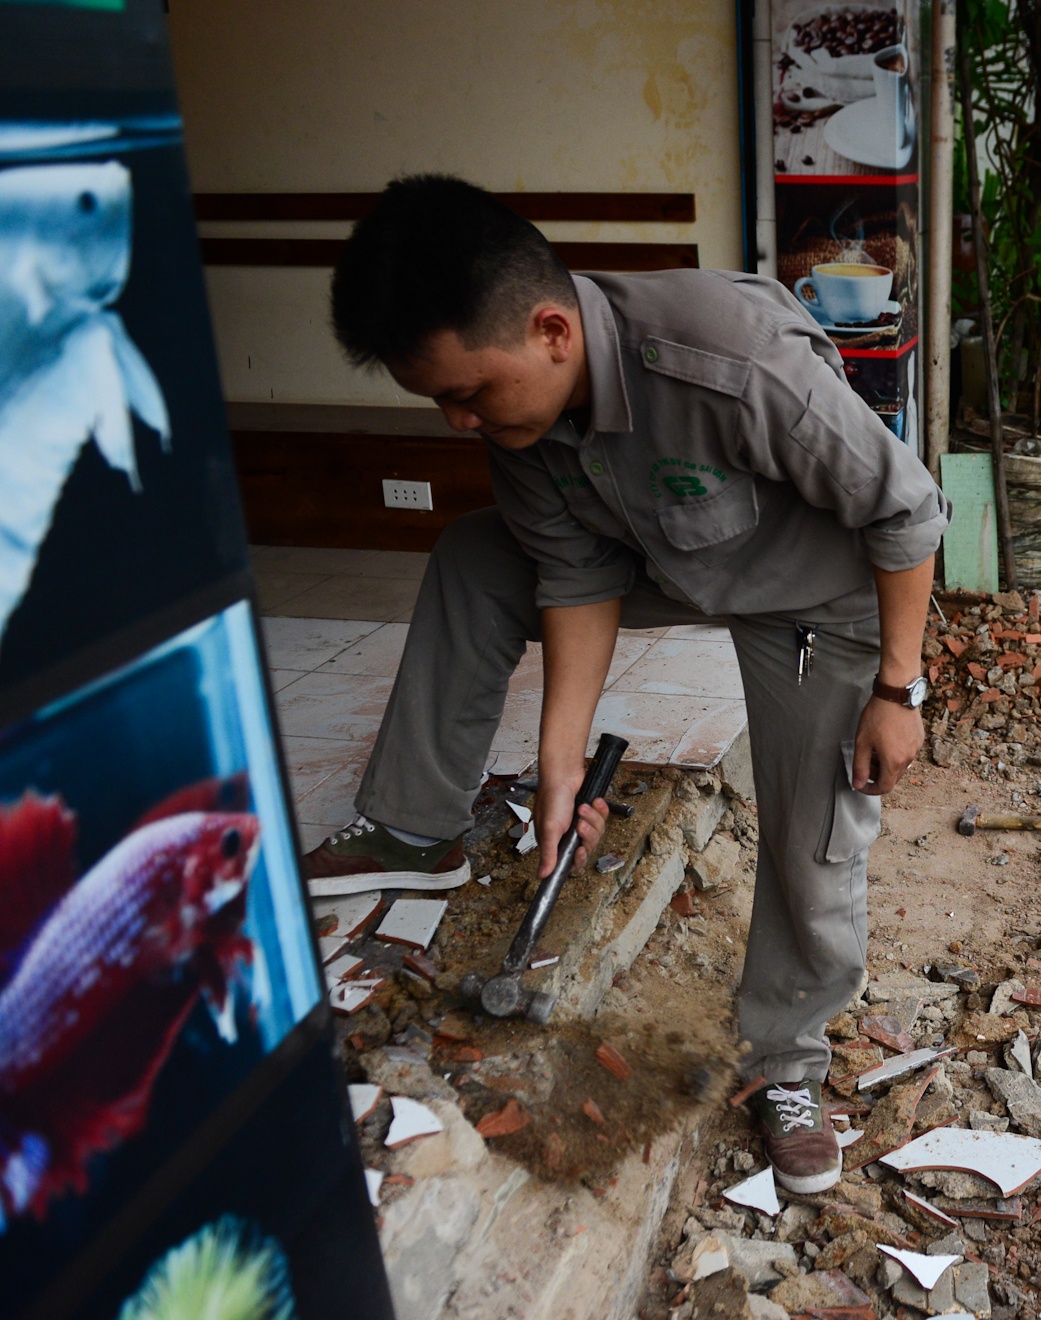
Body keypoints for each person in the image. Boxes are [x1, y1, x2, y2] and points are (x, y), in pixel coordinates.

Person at [316, 177, 947, 1195]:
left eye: (468, 393)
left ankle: (786, 1060)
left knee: (814, 833)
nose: (457, 422)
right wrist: (559, 767)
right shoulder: (522, 419)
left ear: (552, 331)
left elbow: (907, 511)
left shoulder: (732, 358)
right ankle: (412, 824)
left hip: (816, 599)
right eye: (438, 401)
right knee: (476, 556)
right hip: (665, 560)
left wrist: (898, 689)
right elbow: (575, 577)